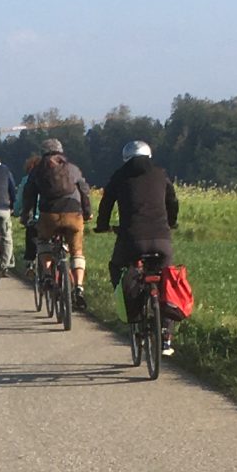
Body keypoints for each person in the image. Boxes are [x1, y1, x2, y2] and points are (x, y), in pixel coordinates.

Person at [96, 139, 181, 353]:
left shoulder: (119, 176)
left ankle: (132, 315)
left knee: (117, 267)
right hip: (161, 239)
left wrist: (102, 225)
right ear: (149, 155)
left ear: (126, 158)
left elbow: (106, 203)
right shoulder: (160, 174)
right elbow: (172, 201)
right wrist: (171, 222)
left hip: (131, 239)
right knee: (167, 281)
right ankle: (166, 334)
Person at [18, 138, 91, 294]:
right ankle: (79, 286)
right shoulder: (72, 168)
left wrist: (25, 216)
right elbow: (84, 190)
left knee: (43, 241)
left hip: (49, 215)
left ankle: (47, 274)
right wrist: (87, 212)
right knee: (77, 251)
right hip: (73, 213)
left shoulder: (37, 170)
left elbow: (29, 195)